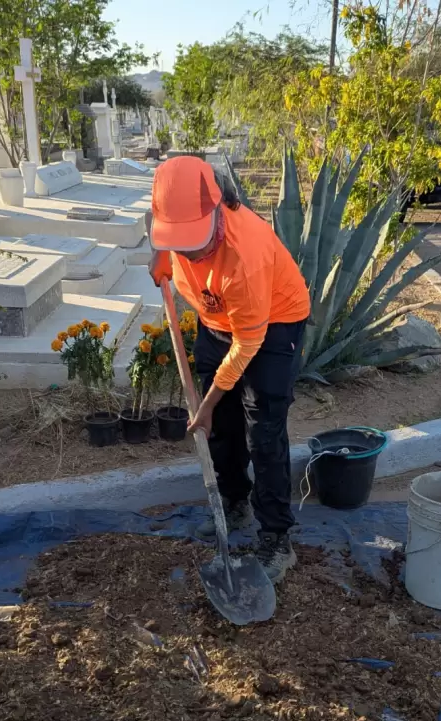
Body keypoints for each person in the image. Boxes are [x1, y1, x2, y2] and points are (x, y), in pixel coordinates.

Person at [148, 156, 310, 583]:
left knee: (264, 432)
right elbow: (167, 227)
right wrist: (160, 254)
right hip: (216, 321)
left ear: (219, 209)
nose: (189, 253)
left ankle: (277, 538)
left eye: (193, 243)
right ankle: (234, 504)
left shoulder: (246, 254)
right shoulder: (178, 226)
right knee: (221, 426)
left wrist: (207, 403)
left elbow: (247, 345)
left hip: (271, 326)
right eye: (177, 242)